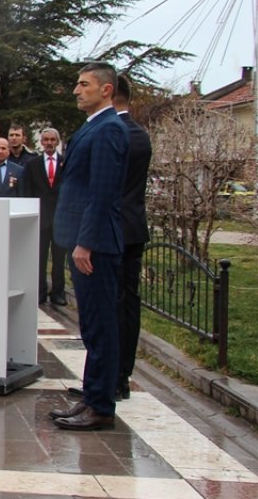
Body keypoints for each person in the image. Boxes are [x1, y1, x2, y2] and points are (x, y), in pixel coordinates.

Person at [49, 62, 129, 431]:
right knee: (92, 326)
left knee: (101, 325)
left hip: (94, 244)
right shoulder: (92, 126)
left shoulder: (110, 128)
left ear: (106, 89)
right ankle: (92, 396)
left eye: (84, 85)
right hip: (84, 239)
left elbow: (102, 192)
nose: (76, 91)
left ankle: (101, 406)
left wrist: (86, 243)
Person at [114, 75, 152, 400]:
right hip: (133, 227)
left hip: (114, 231)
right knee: (126, 304)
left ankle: (114, 377)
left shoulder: (114, 133)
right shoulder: (139, 133)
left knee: (116, 306)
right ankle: (118, 375)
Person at [22, 127, 67, 305]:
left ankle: (58, 293)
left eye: (52, 140)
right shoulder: (33, 164)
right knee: (39, 258)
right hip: (40, 218)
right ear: (41, 142)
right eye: (45, 140)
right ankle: (39, 292)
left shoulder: (66, 163)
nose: (49, 143)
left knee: (59, 259)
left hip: (60, 218)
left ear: (57, 142)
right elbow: (27, 190)